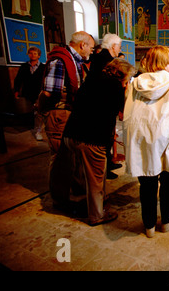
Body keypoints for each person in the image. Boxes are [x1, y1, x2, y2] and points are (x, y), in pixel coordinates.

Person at [123, 46, 169, 238]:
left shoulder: (136, 82)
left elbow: (127, 107)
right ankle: (166, 222)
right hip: (166, 138)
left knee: (147, 184)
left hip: (141, 138)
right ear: (165, 63)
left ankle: (149, 227)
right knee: (168, 183)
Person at [62, 58, 135, 226]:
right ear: (122, 74)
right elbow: (123, 113)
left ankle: (81, 203)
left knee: (80, 174)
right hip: (91, 139)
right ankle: (96, 215)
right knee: (96, 177)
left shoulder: (92, 79)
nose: (126, 82)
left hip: (71, 134)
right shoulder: (115, 86)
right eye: (127, 78)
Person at [37, 31, 95, 211]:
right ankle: (60, 201)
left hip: (69, 114)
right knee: (60, 157)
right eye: (91, 48)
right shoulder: (60, 61)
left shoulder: (74, 60)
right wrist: (43, 110)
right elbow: (49, 92)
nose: (92, 51)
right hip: (59, 114)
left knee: (73, 154)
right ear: (82, 45)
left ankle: (77, 191)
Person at [87, 33, 124, 180]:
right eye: (119, 47)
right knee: (104, 138)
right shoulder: (107, 61)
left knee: (109, 136)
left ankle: (108, 163)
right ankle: (104, 169)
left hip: (102, 103)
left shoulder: (98, 57)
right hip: (103, 105)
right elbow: (113, 84)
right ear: (113, 46)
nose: (119, 49)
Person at [13, 46, 46, 141]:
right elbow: (18, 79)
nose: (33, 55)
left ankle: (37, 131)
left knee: (38, 112)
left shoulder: (43, 67)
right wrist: (16, 90)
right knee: (29, 111)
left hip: (39, 92)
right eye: (31, 53)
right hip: (27, 92)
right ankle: (31, 126)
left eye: (35, 53)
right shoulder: (24, 67)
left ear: (39, 55)